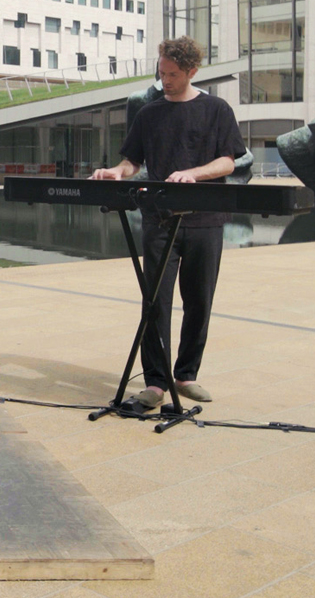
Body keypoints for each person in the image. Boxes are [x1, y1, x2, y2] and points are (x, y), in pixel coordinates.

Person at [91, 36, 245, 409]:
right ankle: (156, 383)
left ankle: (186, 375)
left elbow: (229, 161)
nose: (165, 80)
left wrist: (193, 173)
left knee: (199, 301)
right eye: (161, 72)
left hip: (206, 219)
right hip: (159, 220)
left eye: (173, 74)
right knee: (155, 302)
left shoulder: (217, 110)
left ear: (192, 71)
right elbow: (132, 162)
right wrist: (116, 172)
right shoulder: (149, 114)